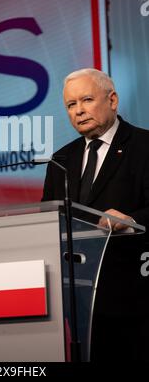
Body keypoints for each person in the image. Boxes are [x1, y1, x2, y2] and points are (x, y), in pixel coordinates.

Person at [42, 68, 149, 361]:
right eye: (70, 105)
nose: (78, 111)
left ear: (112, 100)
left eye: (86, 100)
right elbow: (49, 222)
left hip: (136, 297)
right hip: (80, 303)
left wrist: (131, 220)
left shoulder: (144, 146)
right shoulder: (60, 160)